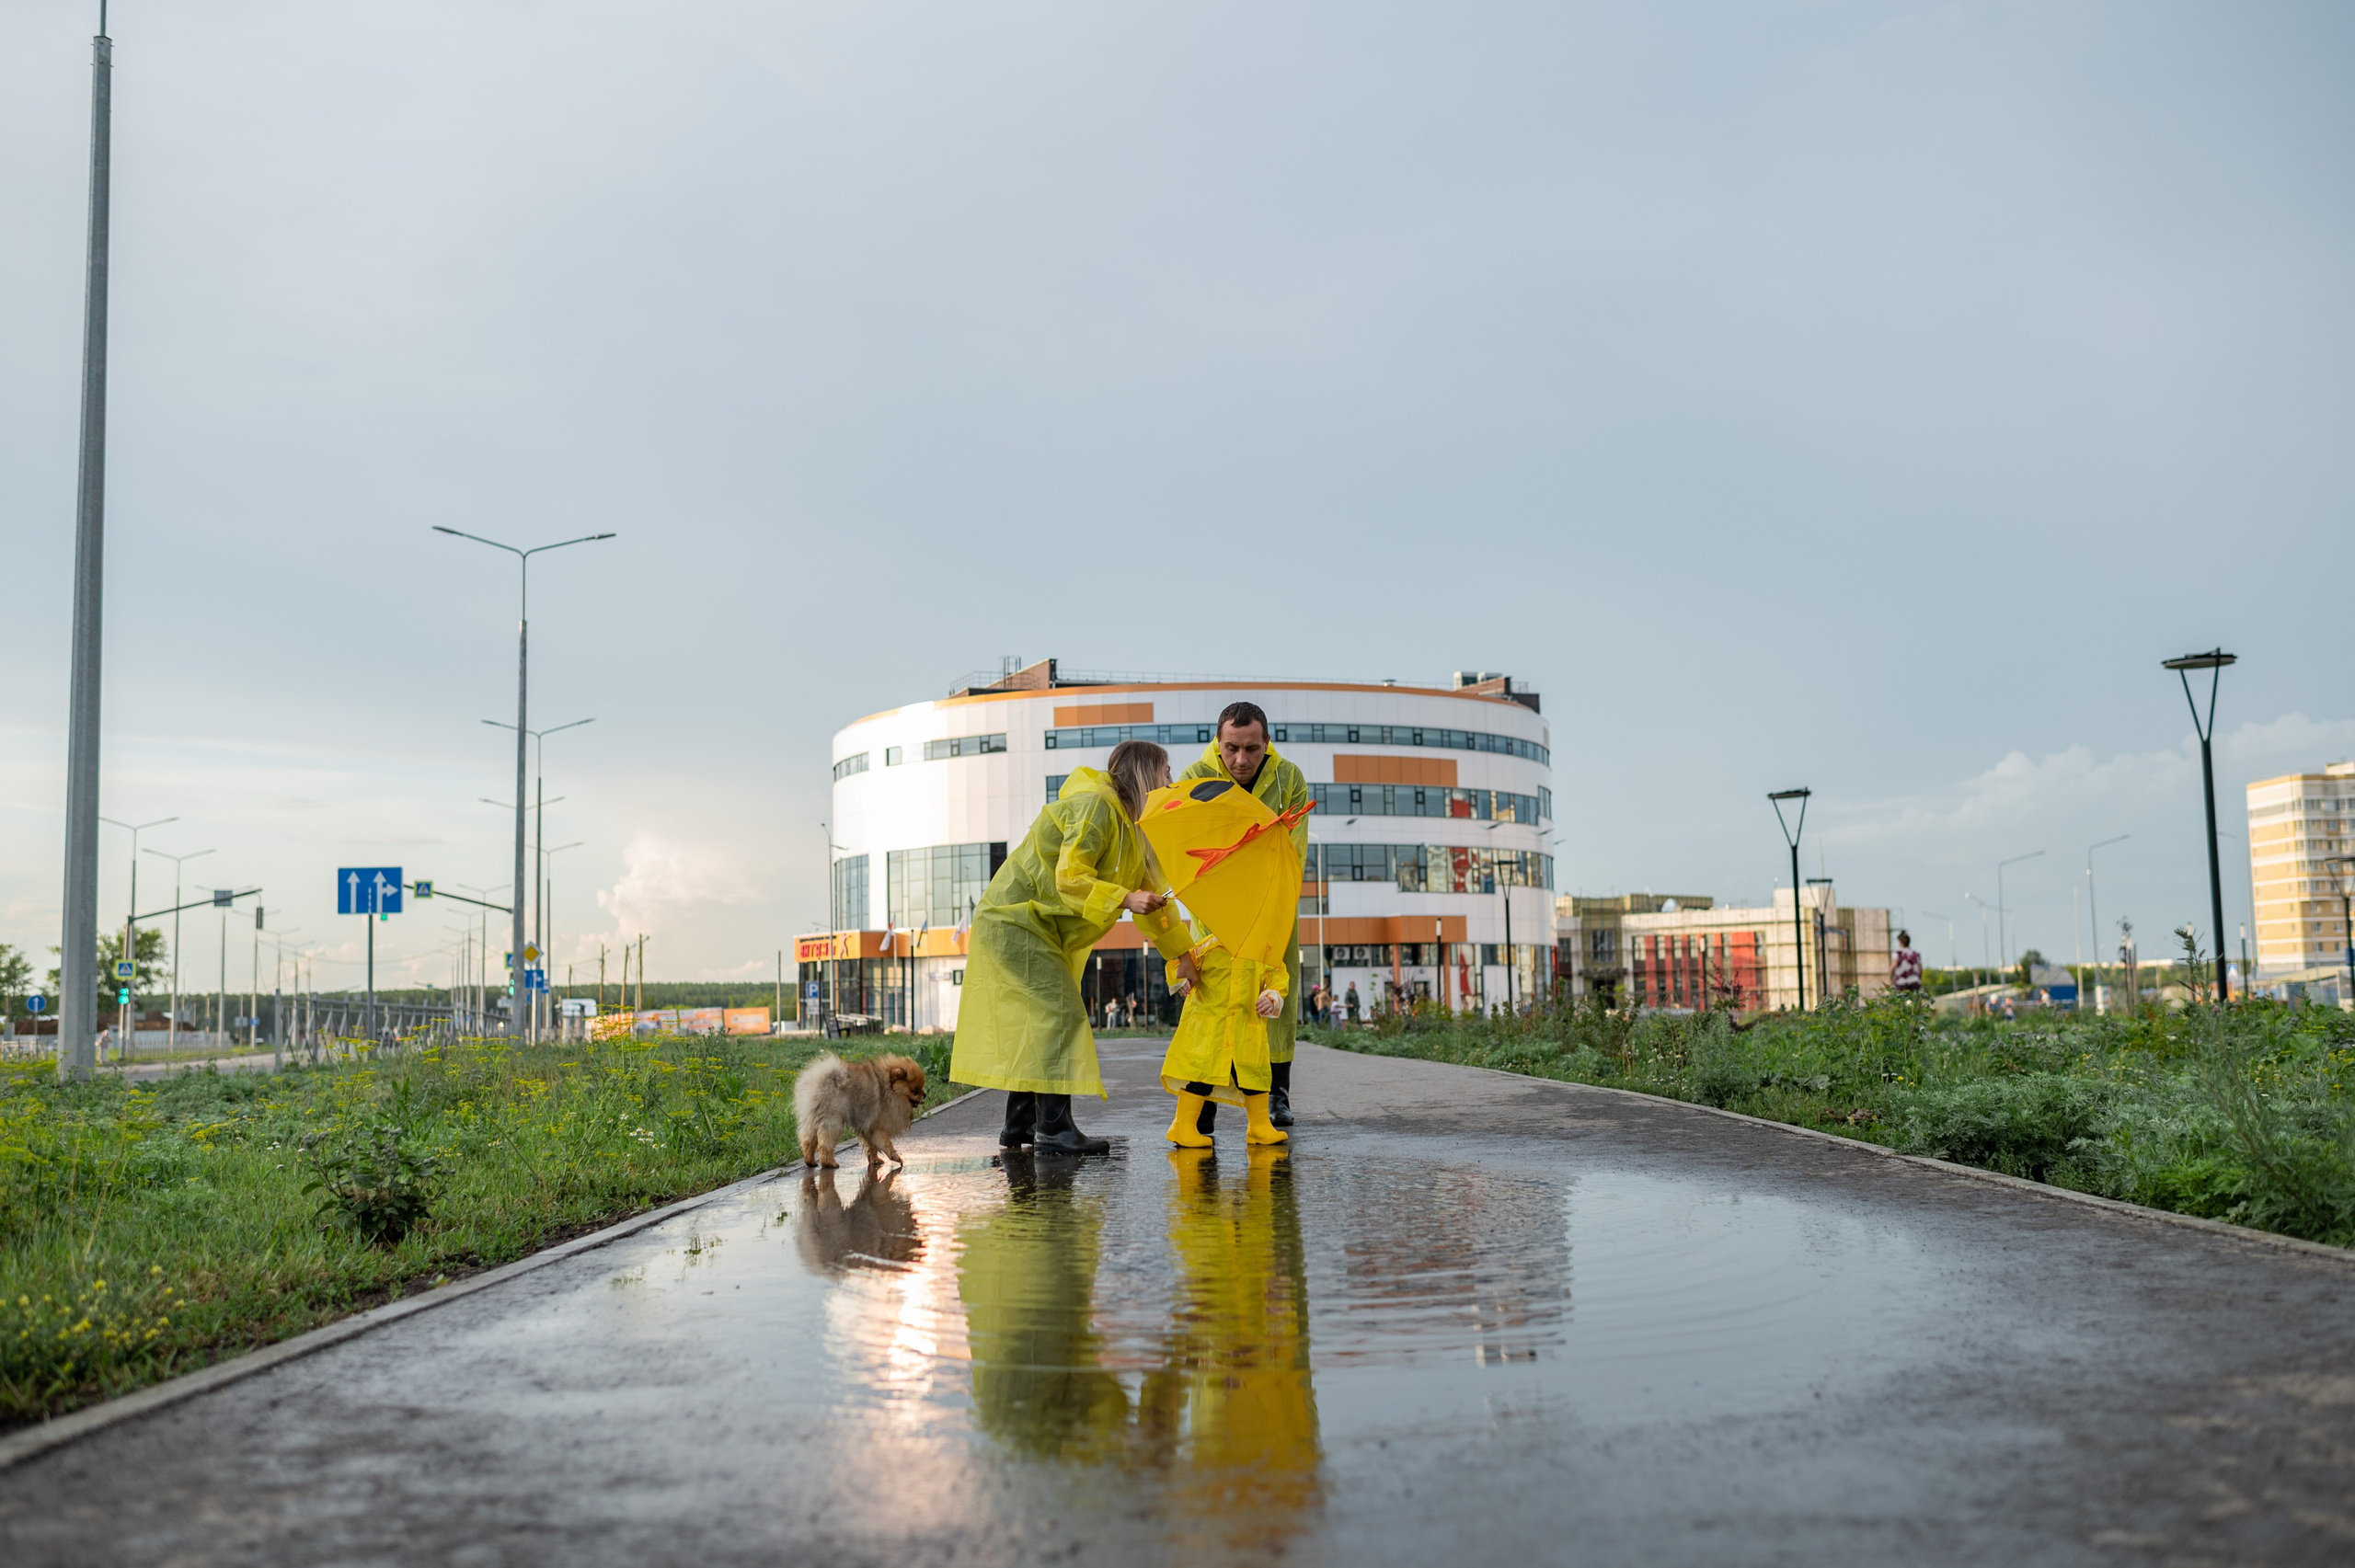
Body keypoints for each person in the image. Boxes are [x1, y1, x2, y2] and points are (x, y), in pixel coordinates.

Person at [950, 741, 1194, 1154]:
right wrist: (1123, 898)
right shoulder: (1096, 805)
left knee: (1041, 1023)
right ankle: (1054, 1130)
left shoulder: (1136, 831)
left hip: (1036, 926)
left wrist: (1184, 957)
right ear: (1145, 773)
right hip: (1017, 920)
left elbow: (1155, 903)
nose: (1170, 780)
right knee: (1058, 1015)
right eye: (1166, 771)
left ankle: (1019, 1126)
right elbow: (1070, 876)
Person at [1178, 702, 1312, 1130]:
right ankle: (1207, 1098)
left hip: (1272, 906)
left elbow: (1293, 852)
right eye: (1232, 748)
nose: (1241, 760)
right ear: (1218, 743)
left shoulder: (1289, 779)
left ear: (1266, 743)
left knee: (1273, 1000)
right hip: (1214, 914)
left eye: (1252, 749)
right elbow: (1188, 851)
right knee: (1211, 1007)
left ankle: (1278, 1094)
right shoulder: (1195, 780)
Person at [1890, 930, 1924, 995]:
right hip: (1914, 982)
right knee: (1915, 1003)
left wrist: (1890, 979)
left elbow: (1893, 966)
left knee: (1900, 1003)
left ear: (1900, 942)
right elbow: (1920, 969)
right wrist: (1919, 979)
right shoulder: (1916, 953)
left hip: (1901, 983)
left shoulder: (1898, 953)